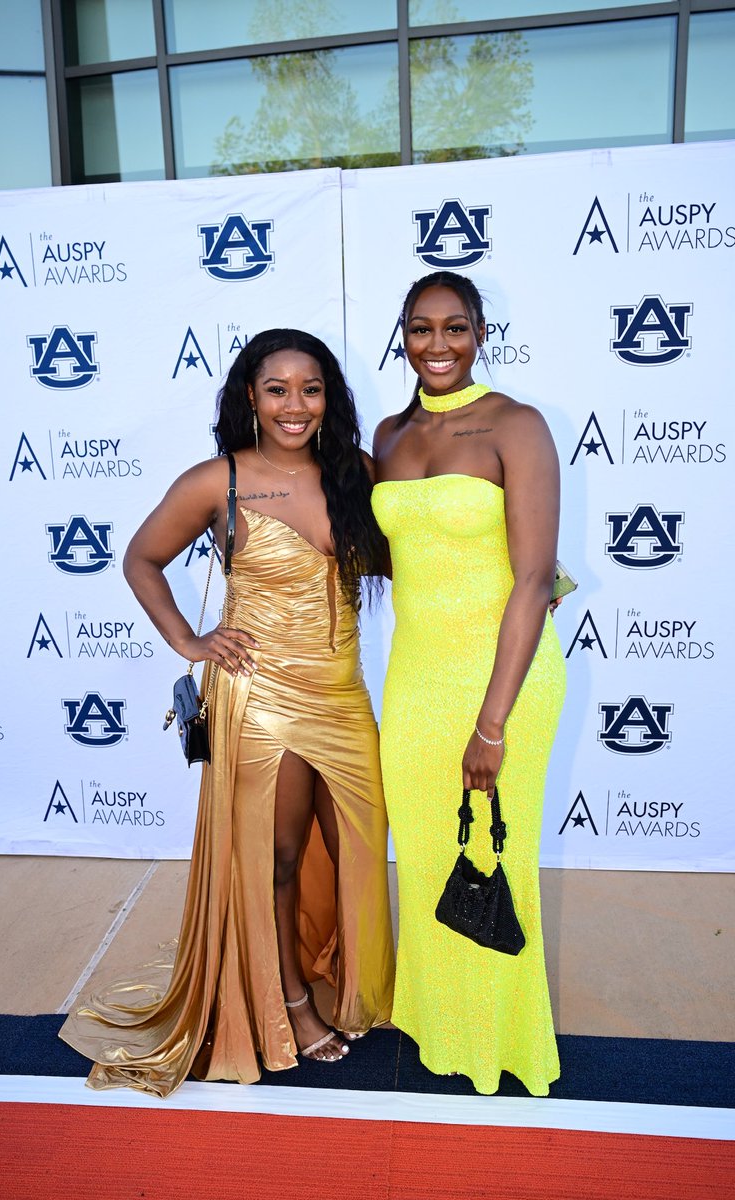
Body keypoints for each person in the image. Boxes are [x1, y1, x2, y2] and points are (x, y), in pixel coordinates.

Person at [59, 329, 395, 1095]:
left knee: (355, 850)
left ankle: (347, 982)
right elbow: (140, 557)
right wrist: (190, 640)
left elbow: (415, 555)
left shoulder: (356, 475)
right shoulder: (220, 480)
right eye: (276, 388)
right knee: (274, 860)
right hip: (260, 698)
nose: (294, 405)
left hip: (343, 696)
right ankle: (288, 1001)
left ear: (329, 397)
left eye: (310, 389)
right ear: (250, 395)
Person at [371, 271, 566, 1096]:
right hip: (413, 681)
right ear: (403, 335)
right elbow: (392, 556)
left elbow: (532, 580)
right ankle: (438, 1023)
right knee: (424, 859)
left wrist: (491, 725)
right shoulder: (384, 434)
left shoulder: (515, 425)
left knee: (496, 859)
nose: (438, 345)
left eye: (456, 327)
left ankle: (498, 1042)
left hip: (502, 682)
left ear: (482, 332)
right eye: (421, 328)